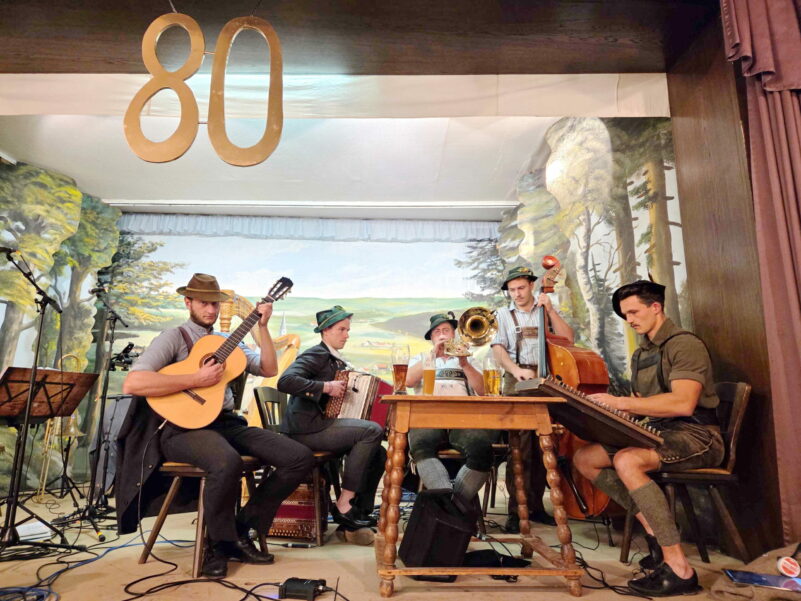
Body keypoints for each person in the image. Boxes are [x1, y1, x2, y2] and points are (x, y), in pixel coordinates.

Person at [119, 273, 314, 578]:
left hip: (225, 423)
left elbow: (268, 368)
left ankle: (240, 529)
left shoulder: (226, 341)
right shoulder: (174, 337)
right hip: (183, 429)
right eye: (203, 303)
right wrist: (196, 379)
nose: (210, 310)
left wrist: (262, 327)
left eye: (215, 304)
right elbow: (134, 383)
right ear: (188, 302)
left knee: (298, 457)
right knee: (225, 461)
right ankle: (218, 546)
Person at [572, 280, 724, 596]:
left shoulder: (684, 344)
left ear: (656, 307)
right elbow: (642, 403)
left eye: (634, 311)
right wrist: (602, 416)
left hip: (697, 434)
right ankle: (658, 531)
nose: (630, 320)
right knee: (585, 458)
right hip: (658, 432)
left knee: (628, 460)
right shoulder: (643, 352)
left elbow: (683, 403)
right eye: (625, 314)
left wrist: (621, 402)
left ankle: (680, 567)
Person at [277, 305, 386, 545]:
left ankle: (359, 512)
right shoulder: (316, 354)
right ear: (325, 331)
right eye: (342, 329)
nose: (347, 334)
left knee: (379, 452)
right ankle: (344, 504)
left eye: (348, 329)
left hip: (319, 425)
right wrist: (325, 387)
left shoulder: (335, 360)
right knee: (371, 431)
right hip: (304, 430)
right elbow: (285, 381)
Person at [490, 265, 575, 531]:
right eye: (512, 290)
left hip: (547, 380)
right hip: (517, 380)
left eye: (521, 288)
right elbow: (498, 350)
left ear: (531, 286)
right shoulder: (503, 315)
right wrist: (516, 371)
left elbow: (568, 339)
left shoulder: (544, 310)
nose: (516, 293)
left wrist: (549, 310)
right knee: (520, 449)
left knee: (543, 447)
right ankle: (517, 512)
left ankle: (536, 507)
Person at [405, 312, 494, 509]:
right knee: (420, 444)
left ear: (454, 335)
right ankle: (450, 506)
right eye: (437, 332)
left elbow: (484, 391)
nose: (442, 335)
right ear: (432, 339)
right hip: (428, 417)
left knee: (481, 447)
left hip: (463, 419)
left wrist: (464, 364)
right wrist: (433, 355)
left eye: (446, 330)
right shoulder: (421, 357)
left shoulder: (468, 359)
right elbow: (408, 381)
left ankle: (452, 506)